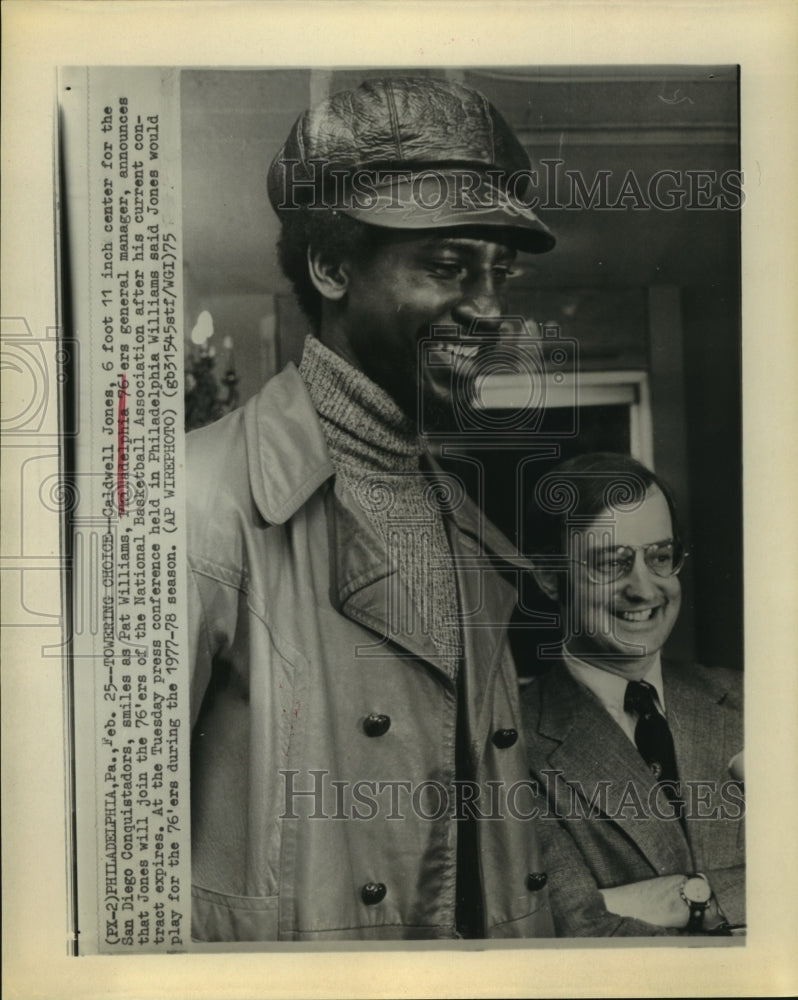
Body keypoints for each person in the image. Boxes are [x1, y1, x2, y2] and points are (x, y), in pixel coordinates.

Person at [186, 76, 558, 941]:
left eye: (500, 272)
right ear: (330, 265)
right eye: (448, 265)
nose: (490, 307)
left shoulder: (458, 513)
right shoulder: (196, 496)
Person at [520, 452, 745, 937]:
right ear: (547, 577)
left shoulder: (753, 703)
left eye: (660, 557)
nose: (644, 588)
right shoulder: (511, 744)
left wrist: (688, 897)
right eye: (611, 564)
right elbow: (578, 929)